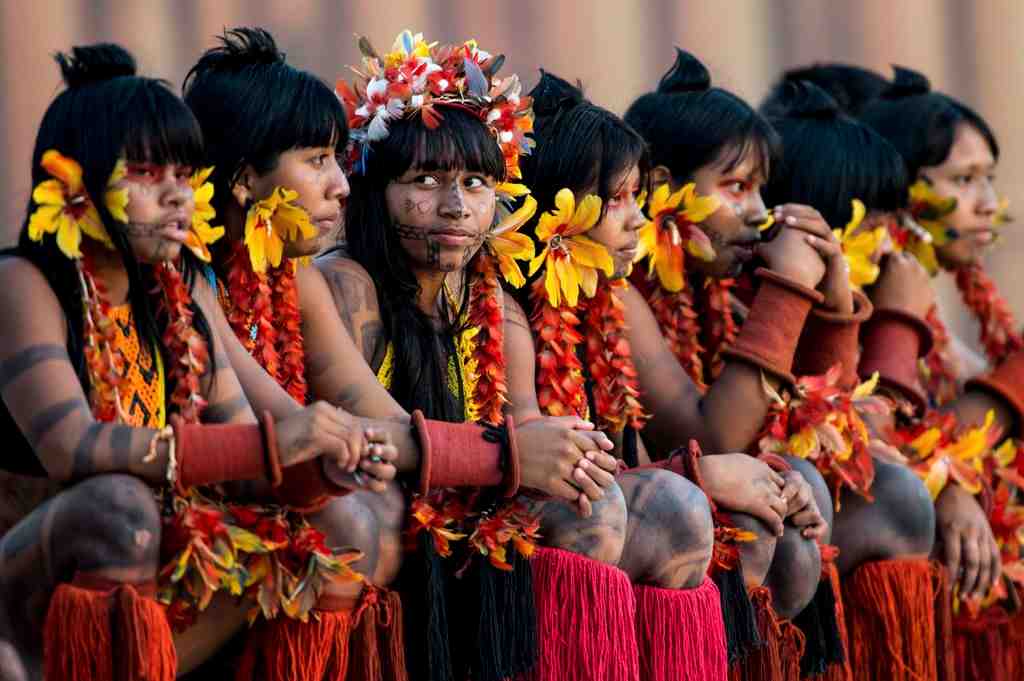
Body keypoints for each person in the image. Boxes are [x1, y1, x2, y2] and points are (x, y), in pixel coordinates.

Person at [0, 43, 397, 680]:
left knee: (345, 521)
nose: (178, 198)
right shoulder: (26, 280)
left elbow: (242, 458)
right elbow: (70, 449)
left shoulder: (181, 282)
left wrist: (331, 459)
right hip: (26, 597)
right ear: (73, 183)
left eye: (185, 176)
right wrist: (272, 446)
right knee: (118, 509)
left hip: (157, 554)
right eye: (147, 174)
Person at [320, 30, 667, 681]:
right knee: (369, 518)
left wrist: (571, 458)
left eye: (477, 183)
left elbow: (531, 425)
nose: (455, 206)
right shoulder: (347, 286)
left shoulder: (497, 305)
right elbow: (372, 439)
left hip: (473, 510)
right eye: (425, 180)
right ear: (374, 189)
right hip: (383, 509)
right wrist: (511, 454)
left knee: (621, 507)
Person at [860, 66, 1024, 681]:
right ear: (904, 192)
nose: (988, 204)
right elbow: (887, 432)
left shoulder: (925, 288)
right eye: (963, 180)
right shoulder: (870, 284)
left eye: (988, 180)